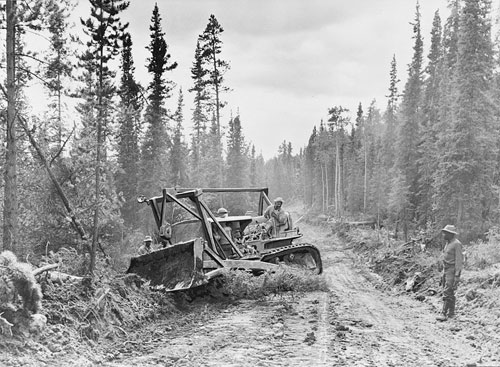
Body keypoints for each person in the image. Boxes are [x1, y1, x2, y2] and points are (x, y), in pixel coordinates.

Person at [436, 225, 464, 321]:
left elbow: (459, 261)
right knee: (449, 290)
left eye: (446, 233)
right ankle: (451, 313)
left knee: (447, 291)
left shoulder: (457, 244)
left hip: (452, 271)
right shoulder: (448, 243)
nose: (443, 234)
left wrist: (457, 275)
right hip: (446, 270)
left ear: (451, 234)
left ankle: (443, 313)